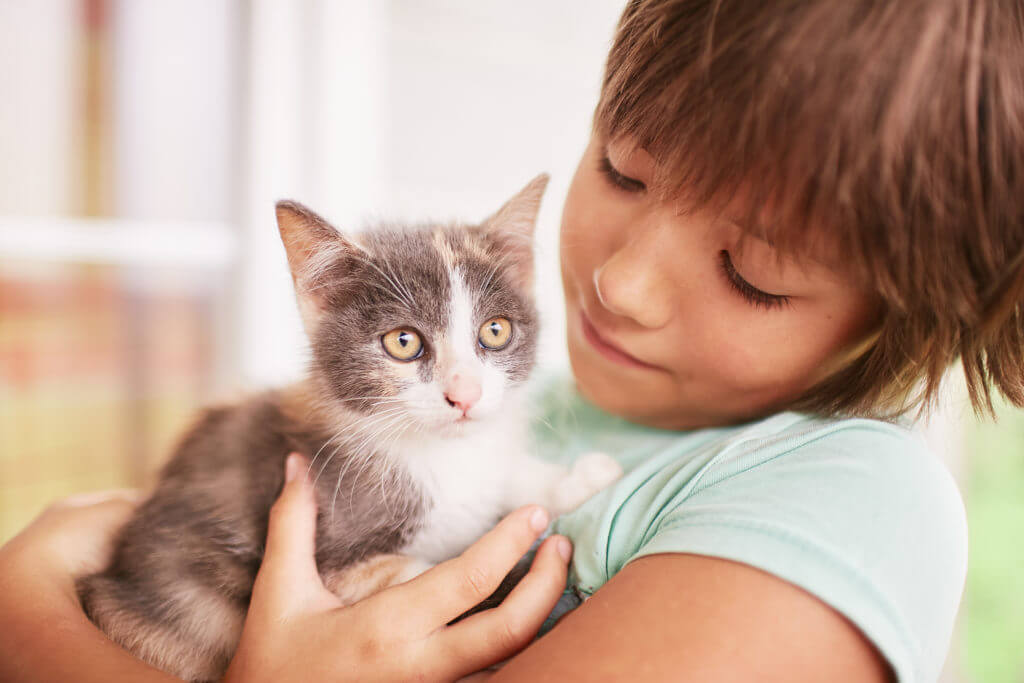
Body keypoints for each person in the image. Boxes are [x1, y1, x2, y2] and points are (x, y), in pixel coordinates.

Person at [3, 0, 1020, 679]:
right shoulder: (529, 410)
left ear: (904, 314)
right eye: (622, 168)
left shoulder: (845, 498)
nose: (619, 282)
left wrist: (28, 618)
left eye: (750, 269)